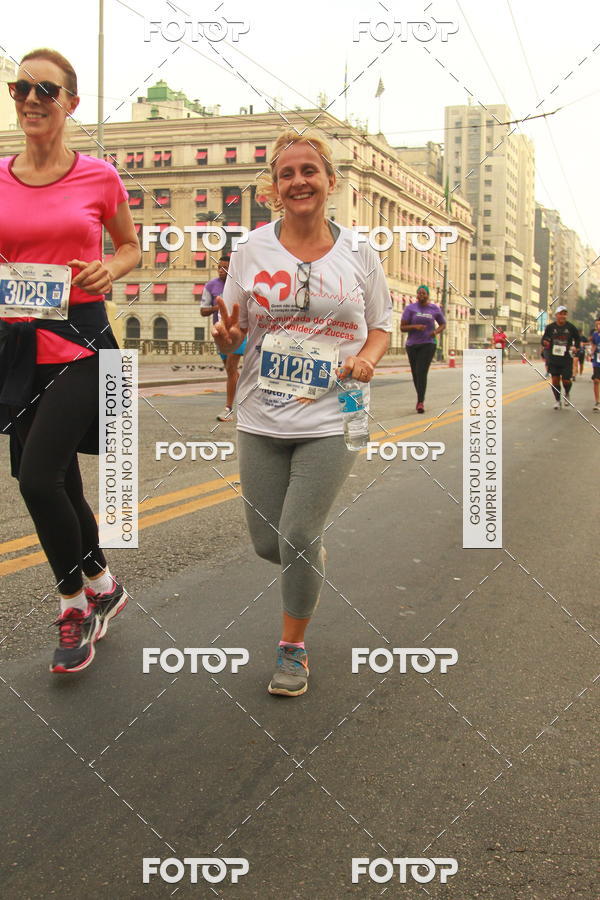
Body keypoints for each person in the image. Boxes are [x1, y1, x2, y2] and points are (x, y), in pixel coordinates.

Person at [213, 129, 392, 696]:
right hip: (261, 413)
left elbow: (382, 326)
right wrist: (228, 338)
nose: (298, 182)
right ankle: (306, 552)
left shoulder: (360, 253)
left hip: (334, 413)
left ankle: (292, 649)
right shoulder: (251, 250)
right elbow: (234, 334)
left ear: (329, 182)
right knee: (271, 543)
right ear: (274, 188)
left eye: (309, 171)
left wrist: (365, 357)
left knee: (294, 535)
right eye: (287, 174)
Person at [0, 49, 140, 672]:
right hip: (18, 346)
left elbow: (131, 246)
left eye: (45, 90)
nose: (31, 98)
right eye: (20, 86)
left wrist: (110, 267)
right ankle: (105, 582)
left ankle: (74, 604)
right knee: (58, 481)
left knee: (37, 478)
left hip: (82, 342)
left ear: (71, 103)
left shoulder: (99, 177)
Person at [201, 253, 247, 421]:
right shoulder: (211, 286)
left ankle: (228, 408)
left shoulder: (240, 284)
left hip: (238, 333)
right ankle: (245, 400)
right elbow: (202, 311)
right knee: (231, 372)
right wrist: (217, 308)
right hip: (220, 334)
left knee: (231, 367)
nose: (222, 271)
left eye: (226, 268)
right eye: (219, 267)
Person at [401, 285, 446, 413]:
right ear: (416, 295)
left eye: (424, 293)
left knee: (421, 372)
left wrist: (435, 332)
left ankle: (420, 402)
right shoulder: (410, 308)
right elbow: (402, 328)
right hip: (412, 345)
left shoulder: (434, 309)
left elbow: (443, 324)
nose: (422, 295)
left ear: (428, 295)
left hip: (428, 343)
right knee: (415, 373)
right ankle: (420, 396)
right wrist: (415, 326)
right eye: (419, 293)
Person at [540, 306, 581, 409]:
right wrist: (545, 342)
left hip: (566, 358)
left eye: (565, 314)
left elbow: (577, 339)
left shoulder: (571, 327)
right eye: (561, 314)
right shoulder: (550, 327)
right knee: (555, 380)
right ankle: (557, 400)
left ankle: (567, 393)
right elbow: (544, 339)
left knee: (566, 380)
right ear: (556, 315)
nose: (563, 316)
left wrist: (576, 347)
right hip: (553, 358)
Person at [590, 318, 600, 411]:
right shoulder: (595, 335)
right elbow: (593, 344)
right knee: (596, 380)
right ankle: (597, 401)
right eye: (596, 325)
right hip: (597, 360)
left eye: (599, 324)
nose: (598, 326)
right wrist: (591, 353)